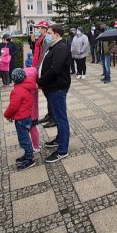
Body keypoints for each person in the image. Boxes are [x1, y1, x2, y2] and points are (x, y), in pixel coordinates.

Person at [37, 24, 72, 163]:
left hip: (57, 88)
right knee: (57, 117)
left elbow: (54, 69)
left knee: (61, 118)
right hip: (51, 87)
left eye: (49, 33)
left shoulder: (61, 47)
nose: (47, 35)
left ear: (57, 35)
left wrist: (39, 82)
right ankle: (59, 139)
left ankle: (62, 150)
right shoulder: (54, 46)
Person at [3, 68, 36, 171]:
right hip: (27, 116)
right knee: (25, 137)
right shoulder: (27, 87)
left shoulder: (17, 91)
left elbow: (13, 106)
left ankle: (29, 158)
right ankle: (27, 154)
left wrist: (7, 115)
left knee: (23, 139)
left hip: (21, 119)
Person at [32, 20, 52, 125]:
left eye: (39, 27)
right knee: (46, 93)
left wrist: (39, 68)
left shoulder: (46, 39)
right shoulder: (41, 38)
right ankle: (50, 114)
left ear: (44, 28)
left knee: (49, 94)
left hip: (43, 68)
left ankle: (53, 117)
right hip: (38, 68)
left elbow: (45, 55)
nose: (37, 29)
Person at [24, 66, 41, 153]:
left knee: (30, 129)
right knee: (33, 129)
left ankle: (35, 146)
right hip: (34, 114)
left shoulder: (24, 87)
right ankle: (36, 145)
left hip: (27, 114)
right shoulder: (35, 86)